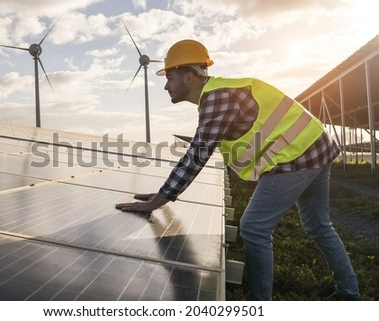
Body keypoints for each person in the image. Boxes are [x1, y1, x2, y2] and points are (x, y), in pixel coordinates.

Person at [115, 39, 360, 301]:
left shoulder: (217, 98)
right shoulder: (220, 94)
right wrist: (164, 193)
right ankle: (349, 293)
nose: (165, 85)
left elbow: (197, 155)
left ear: (188, 77)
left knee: (254, 227)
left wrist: (159, 200)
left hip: (296, 156)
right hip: (315, 146)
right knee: (320, 226)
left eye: (170, 77)